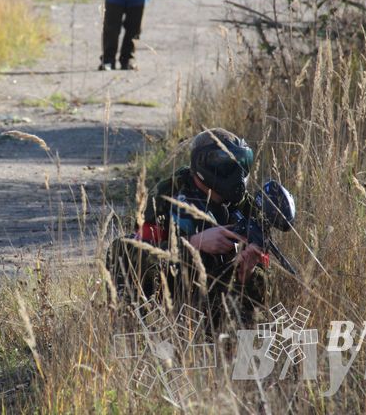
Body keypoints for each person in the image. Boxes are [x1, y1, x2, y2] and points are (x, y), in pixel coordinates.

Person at [106, 128, 297, 326]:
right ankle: (129, 336)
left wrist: (246, 273)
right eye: (227, 167)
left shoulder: (244, 207)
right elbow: (127, 254)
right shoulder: (169, 196)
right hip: (171, 306)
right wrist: (193, 243)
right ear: (205, 165)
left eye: (242, 165)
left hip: (218, 312)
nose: (237, 176)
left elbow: (262, 297)